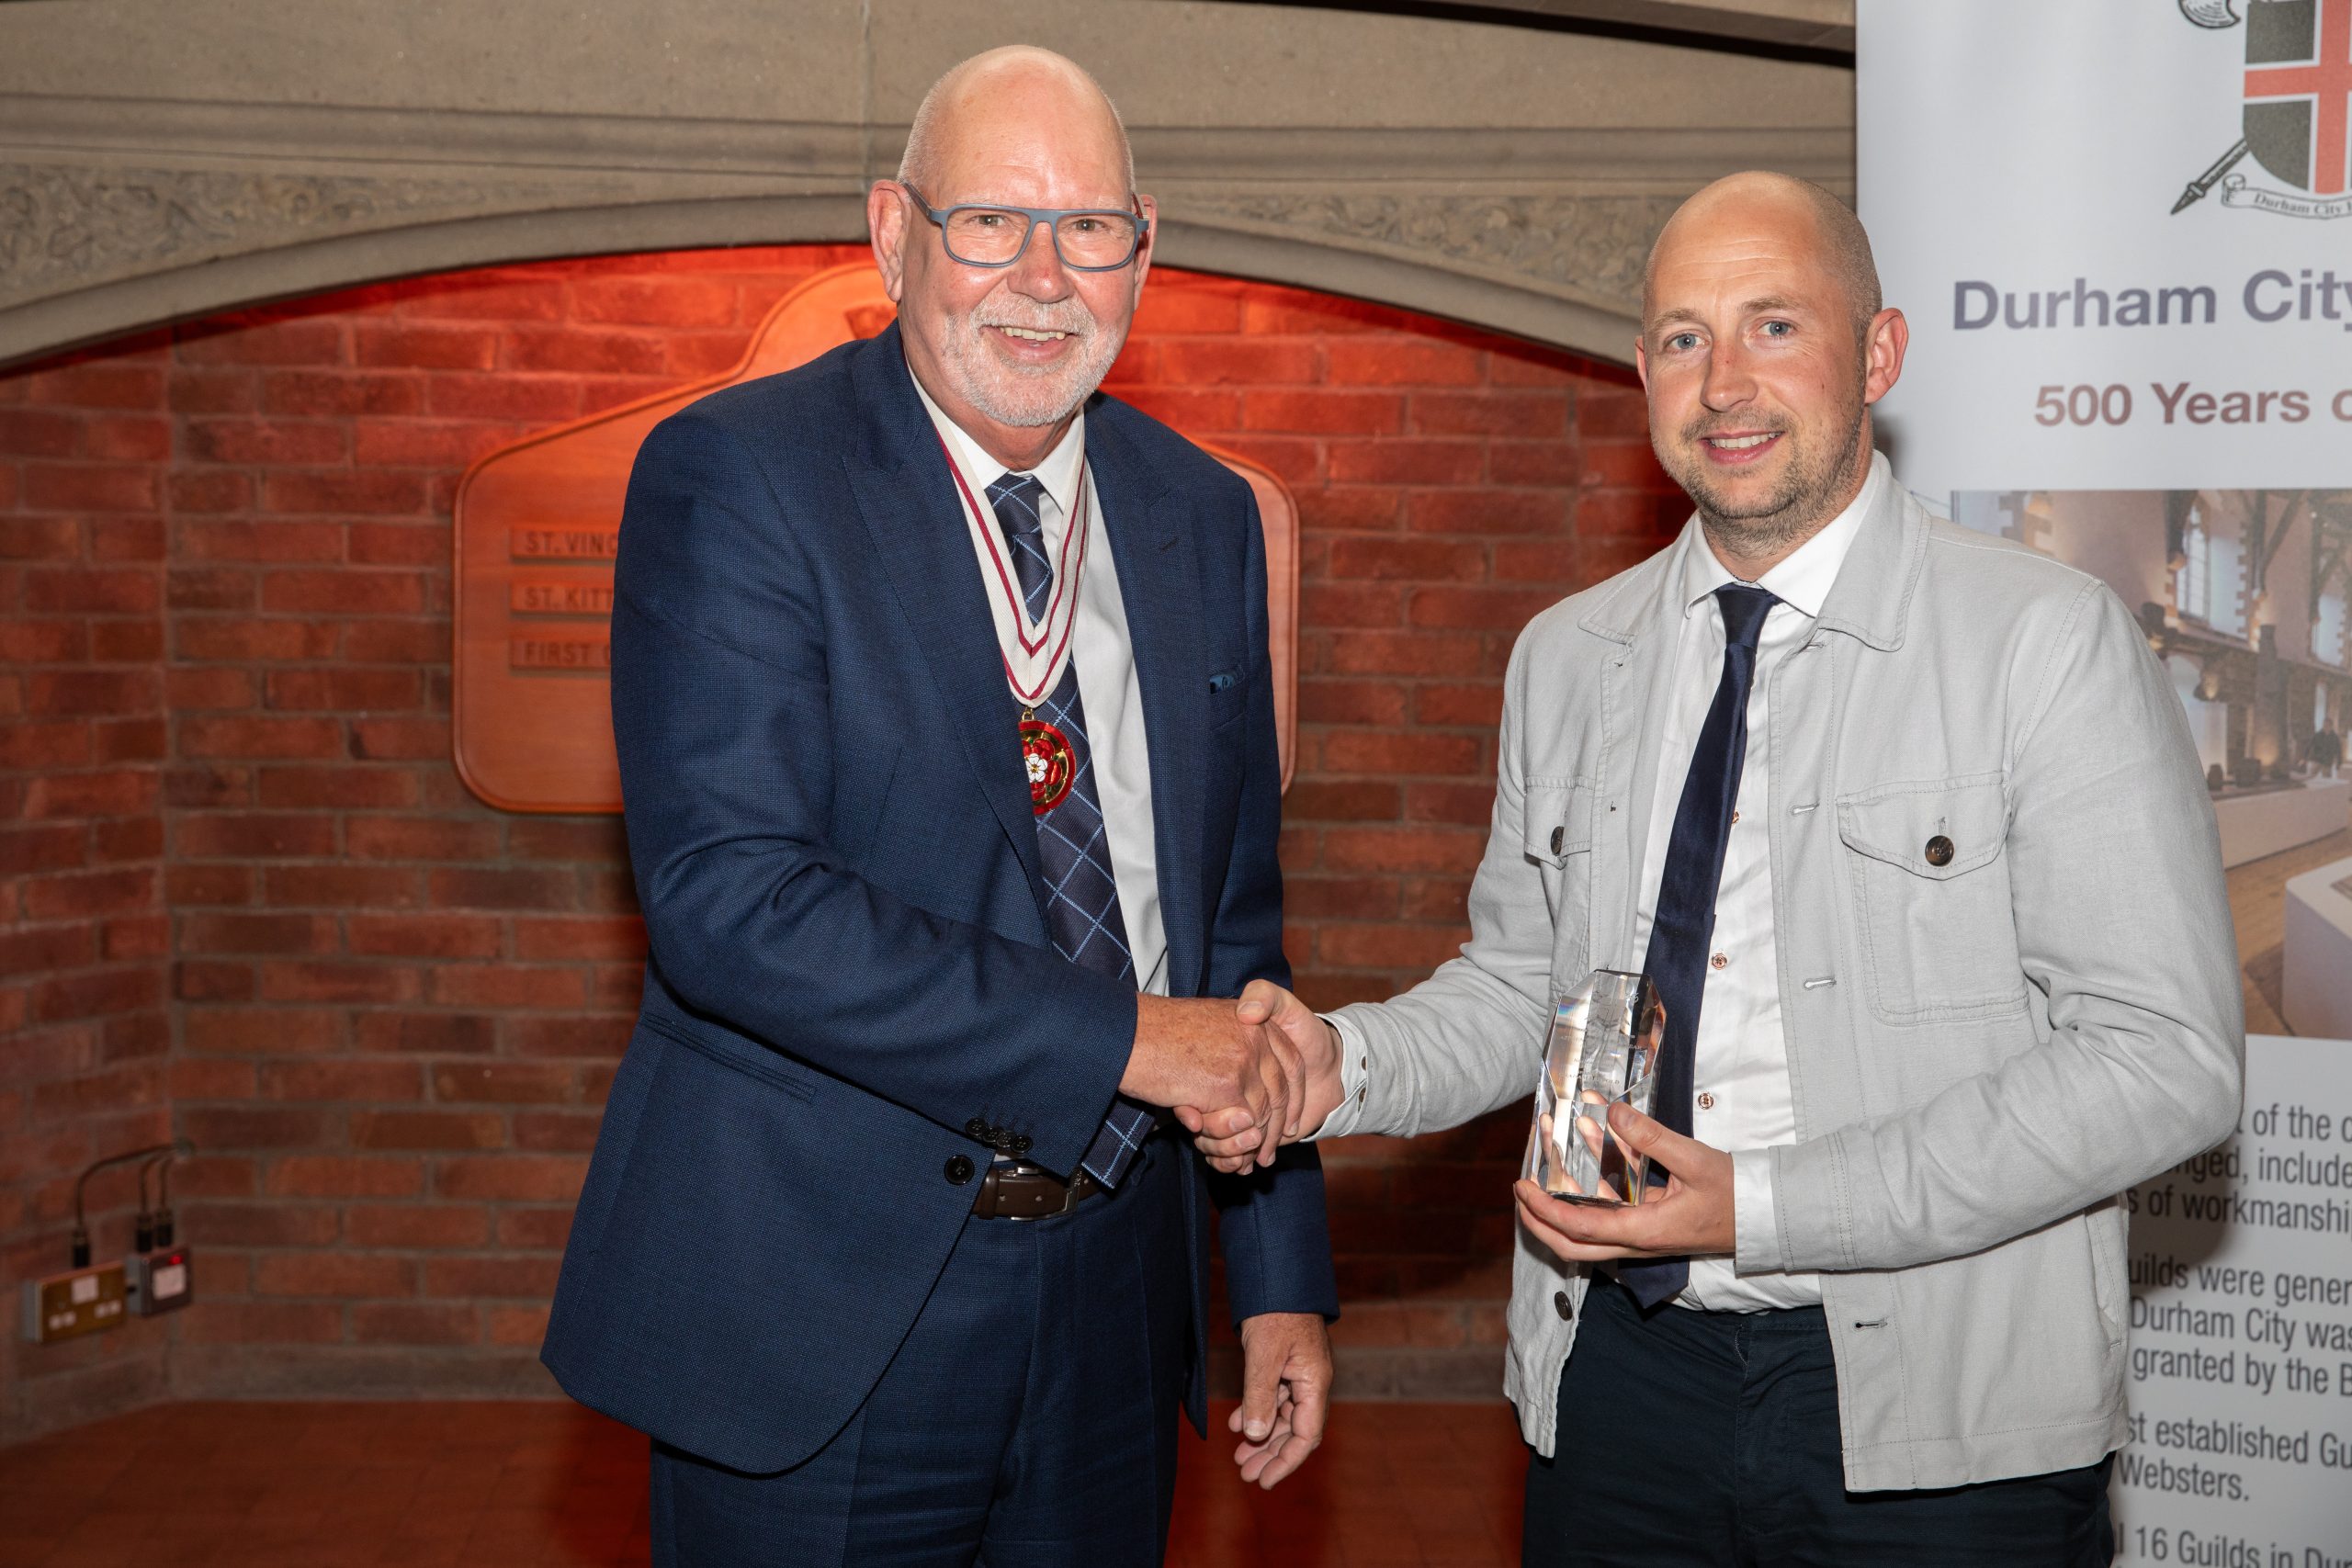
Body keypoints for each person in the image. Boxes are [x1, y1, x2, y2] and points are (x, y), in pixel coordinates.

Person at [1192, 172, 2243, 1564]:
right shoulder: (1568, 657)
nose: (1725, 384)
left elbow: (2164, 1060)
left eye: (1774, 326)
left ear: (1878, 353)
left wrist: (1761, 1208)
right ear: (1644, 373)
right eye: (1685, 338)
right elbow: (1525, 987)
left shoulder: (2042, 643)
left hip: (1942, 1414)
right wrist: (1343, 1064)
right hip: (1618, 1380)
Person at [543, 46, 1336, 1567]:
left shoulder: (1203, 515)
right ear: (893, 234)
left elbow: (1233, 927)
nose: (1043, 279)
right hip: (823, 1305)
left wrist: (1279, 1275)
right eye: (990, 223)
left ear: (1144, 248)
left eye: (1089, 227)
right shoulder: (742, 477)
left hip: (1121, 1302)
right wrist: (1126, 1041)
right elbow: (732, 906)